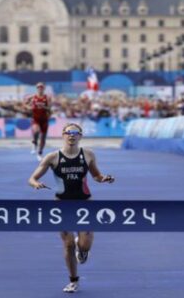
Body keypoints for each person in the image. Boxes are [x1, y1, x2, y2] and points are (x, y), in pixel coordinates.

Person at [28, 123, 115, 293]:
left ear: (80, 136)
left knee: (85, 246)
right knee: (67, 244)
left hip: (85, 203)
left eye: (75, 133)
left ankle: (81, 247)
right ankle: (73, 280)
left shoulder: (88, 154)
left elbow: (97, 175)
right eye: (68, 133)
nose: (72, 135)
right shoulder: (53, 157)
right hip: (61, 205)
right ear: (63, 135)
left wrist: (105, 178)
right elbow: (31, 178)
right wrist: (36, 184)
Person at [25, 82, 51, 160]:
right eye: (38, 87)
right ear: (36, 88)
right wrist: (29, 107)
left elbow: (49, 108)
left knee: (43, 138)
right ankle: (34, 143)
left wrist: (43, 107)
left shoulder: (47, 97)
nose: (40, 88)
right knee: (36, 131)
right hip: (36, 118)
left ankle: (40, 153)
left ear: (44, 88)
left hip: (44, 119)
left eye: (41, 87)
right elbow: (25, 104)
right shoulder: (32, 97)